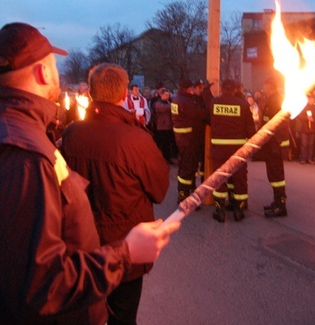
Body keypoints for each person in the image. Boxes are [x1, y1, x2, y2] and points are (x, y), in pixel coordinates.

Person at [0, 22, 180, 325]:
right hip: (101, 267)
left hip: (89, 265)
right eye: (53, 64)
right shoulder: (27, 154)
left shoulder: (57, 134)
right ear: (42, 73)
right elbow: (39, 285)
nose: (57, 71)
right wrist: (125, 252)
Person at [61, 64, 170, 325]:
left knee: (87, 314)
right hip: (126, 247)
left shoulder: (72, 133)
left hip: (82, 247)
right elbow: (160, 190)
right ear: (124, 94)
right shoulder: (136, 139)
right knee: (123, 316)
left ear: (91, 93)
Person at [210, 79, 255, 223]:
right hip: (238, 149)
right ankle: (239, 211)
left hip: (218, 148)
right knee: (239, 178)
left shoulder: (214, 103)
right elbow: (250, 128)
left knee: (219, 178)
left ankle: (220, 211)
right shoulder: (243, 104)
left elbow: (208, 120)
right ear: (235, 89)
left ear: (222, 89)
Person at [171, 79, 208, 203]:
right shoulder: (187, 100)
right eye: (192, 88)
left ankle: (187, 189)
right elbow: (200, 114)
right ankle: (183, 193)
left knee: (185, 164)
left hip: (181, 137)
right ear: (188, 88)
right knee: (188, 166)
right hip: (189, 138)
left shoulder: (177, 98)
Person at [260, 77, 290, 218]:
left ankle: (281, 205)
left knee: (277, 175)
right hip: (271, 143)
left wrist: (275, 141)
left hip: (274, 144)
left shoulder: (276, 101)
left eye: (265, 85)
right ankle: (277, 201)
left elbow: (280, 124)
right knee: (273, 174)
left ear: (270, 86)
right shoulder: (272, 100)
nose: (263, 88)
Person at [295, 92, 315, 164]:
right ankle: (303, 158)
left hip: (312, 129)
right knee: (304, 144)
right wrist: (306, 118)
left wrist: (313, 120)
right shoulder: (304, 107)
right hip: (304, 129)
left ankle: (309, 158)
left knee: (310, 145)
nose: (310, 100)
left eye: (312, 99)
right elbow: (299, 116)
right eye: (309, 99)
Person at [152, 87, 176, 164]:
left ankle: (167, 158)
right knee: (162, 144)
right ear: (161, 95)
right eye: (165, 95)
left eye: (168, 95)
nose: (167, 96)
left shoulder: (168, 102)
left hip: (169, 126)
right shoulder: (158, 103)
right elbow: (163, 108)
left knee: (168, 144)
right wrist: (173, 105)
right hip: (161, 127)